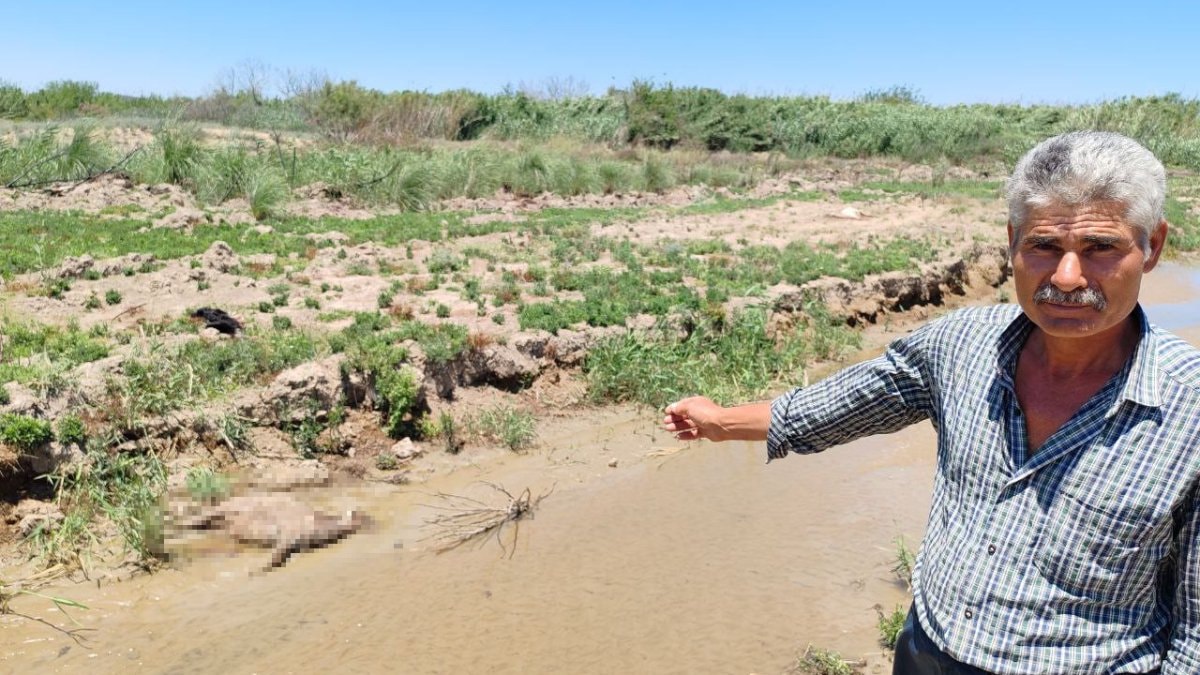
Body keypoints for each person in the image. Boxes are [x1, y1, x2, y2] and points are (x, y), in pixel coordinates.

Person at [662, 130, 1200, 675]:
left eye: (1100, 248)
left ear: (1152, 246)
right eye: (1043, 246)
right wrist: (720, 422)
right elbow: (847, 403)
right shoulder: (960, 345)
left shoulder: (1191, 410)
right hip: (927, 650)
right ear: (1012, 241)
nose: (1066, 277)